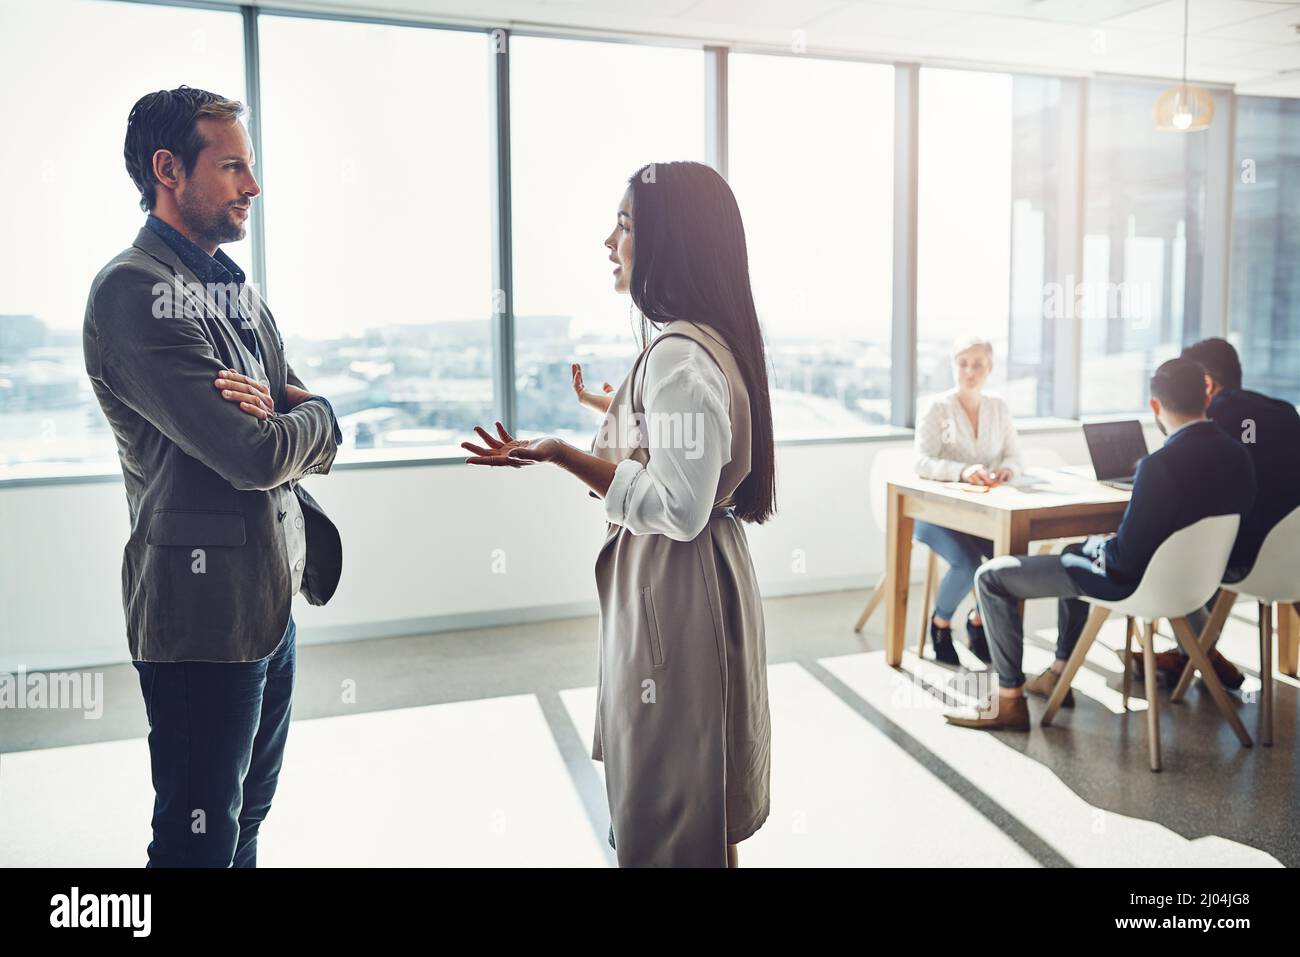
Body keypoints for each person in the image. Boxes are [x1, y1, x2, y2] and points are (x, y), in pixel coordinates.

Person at [462, 161, 775, 867]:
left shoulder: (677, 355)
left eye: (626, 224)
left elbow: (678, 506)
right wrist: (617, 415)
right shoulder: (705, 342)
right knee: (702, 804)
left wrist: (562, 454)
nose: (610, 242)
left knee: (670, 807)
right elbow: (686, 454)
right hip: (696, 582)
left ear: (673, 241)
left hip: (676, 586)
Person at [83, 86, 343, 865]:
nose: (252, 187)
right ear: (169, 168)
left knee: (247, 819)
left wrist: (299, 415)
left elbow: (292, 420)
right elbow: (257, 453)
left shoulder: (232, 289)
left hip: (269, 602)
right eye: (232, 167)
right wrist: (316, 417)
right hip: (199, 621)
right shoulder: (135, 291)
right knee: (197, 838)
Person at [945, 358, 1255, 731]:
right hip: (1195, 586)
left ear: (1155, 406)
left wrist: (1093, 546)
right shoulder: (1239, 454)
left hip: (1138, 586)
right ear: (1207, 395)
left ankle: (1009, 700)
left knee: (992, 577)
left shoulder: (1159, 467)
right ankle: (1059, 671)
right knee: (1077, 553)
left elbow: (1122, 564)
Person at [1126, 338, 1300, 687]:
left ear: (1204, 384)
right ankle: (1195, 655)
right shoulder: (1283, 410)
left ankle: (1196, 653)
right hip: (1292, 556)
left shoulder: (1213, 420)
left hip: (1246, 555)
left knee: (1188, 545)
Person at [912, 336, 1024, 664]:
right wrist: (962, 471)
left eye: (977, 364)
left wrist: (1006, 469)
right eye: (962, 363)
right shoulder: (938, 408)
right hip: (934, 514)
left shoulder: (998, 407)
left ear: (989, 369)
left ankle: (978, 621)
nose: (969, 371)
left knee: (1007, 560)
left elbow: (1016, 456)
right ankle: (940, 624)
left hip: (983, 513)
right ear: (953, 366)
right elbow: (922, 462)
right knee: (969, 563)